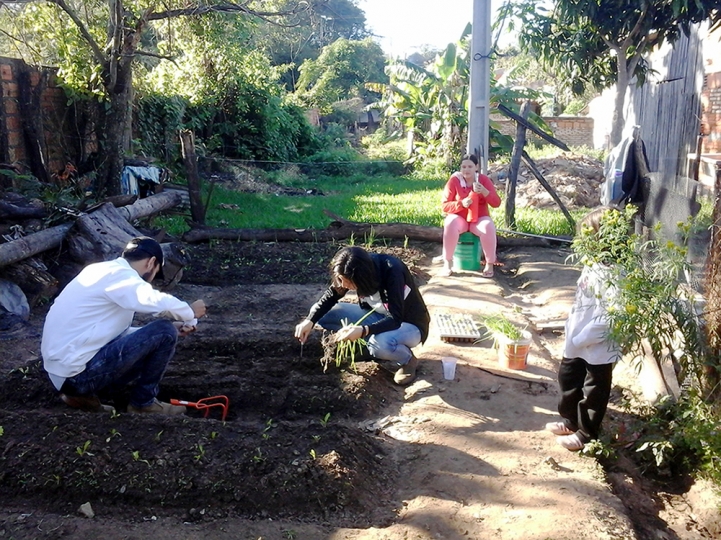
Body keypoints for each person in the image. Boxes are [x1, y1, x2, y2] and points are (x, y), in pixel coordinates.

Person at [41, 236, 207, 415]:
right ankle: (143, 404)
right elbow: (151, 299)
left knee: (165, 331)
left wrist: (167, 331)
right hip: (78, 376)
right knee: (164, 330)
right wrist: (189, 312)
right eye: (155, 275)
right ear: (151, 263)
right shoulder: (120, 276)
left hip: (63, 375)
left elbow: (111, 335)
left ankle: (81, 396)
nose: (150, 282)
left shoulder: (100, 271)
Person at [294, 246, 430, 386]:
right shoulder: (349, 269)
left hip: (407, 324)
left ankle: (407, 359)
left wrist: (364, 330)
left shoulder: (392, 271)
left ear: (362, 277)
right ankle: (370, 345)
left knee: (379, 345)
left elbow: (395, 319)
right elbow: (331, 295)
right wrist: (309, 320)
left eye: (348, 281)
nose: (344, 286)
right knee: (321, 313)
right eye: (341, 280)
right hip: (378, 315)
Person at [545, 207, 622, 451]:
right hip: (577, 338)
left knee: (593, 390)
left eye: (589, 236)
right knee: (568, 379)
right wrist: (573, 331)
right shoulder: (594, 264)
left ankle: (586, 433)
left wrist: (586, 336)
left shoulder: (617, 274)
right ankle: (569, 420)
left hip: (598, 344)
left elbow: (614, 314)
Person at [440, 154, 501, 278]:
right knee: (450, 222)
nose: (466, 170)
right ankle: (448, 262)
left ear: (476, 167)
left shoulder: (483, 180)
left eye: (469, 166)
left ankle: (489, 264)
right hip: (460, 218)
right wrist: (461, 204)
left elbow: (496, 203)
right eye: (463, 167)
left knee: (488, 226)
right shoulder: (454, 181)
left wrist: (484, 191)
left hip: (478, 218)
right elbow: (444, 206)